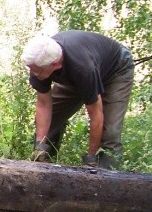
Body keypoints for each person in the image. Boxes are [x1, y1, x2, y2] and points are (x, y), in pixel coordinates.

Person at [22, 30, 134, 169]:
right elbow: (44, 104)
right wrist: (40, 145)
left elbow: (96, 115)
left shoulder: (83, 68)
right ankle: (43, 167)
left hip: (116, 70)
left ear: (55, 64)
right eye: (31, 69)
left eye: (37, 70)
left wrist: (90, 158)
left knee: (110, 132)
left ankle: (102, 179)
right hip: (78, 74)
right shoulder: (39, 61)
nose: (33, 74)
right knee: (53, 120)